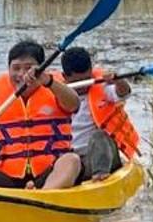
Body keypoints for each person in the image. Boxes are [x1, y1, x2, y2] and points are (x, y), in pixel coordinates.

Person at [0, 39, 83, 189]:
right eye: (16, 68)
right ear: (9, 69)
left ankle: (43, 197)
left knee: (71, 160)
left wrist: (48, 81)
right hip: (9, 178)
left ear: (40, 69)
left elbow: (74, 104)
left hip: (49, 174)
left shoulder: (56, 91)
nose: (22, 74)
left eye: (28, 68)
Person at [59, 45, 139, 182]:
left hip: (101, 157)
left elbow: (123, 93)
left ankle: (100, 178)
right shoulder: (56, 93)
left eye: (86, 79)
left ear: (91, 71)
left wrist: (118, 80)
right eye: (77, 82)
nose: (83, 86)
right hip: (72, 161)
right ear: (65, 77)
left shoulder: (102, 88)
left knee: (99, 136)